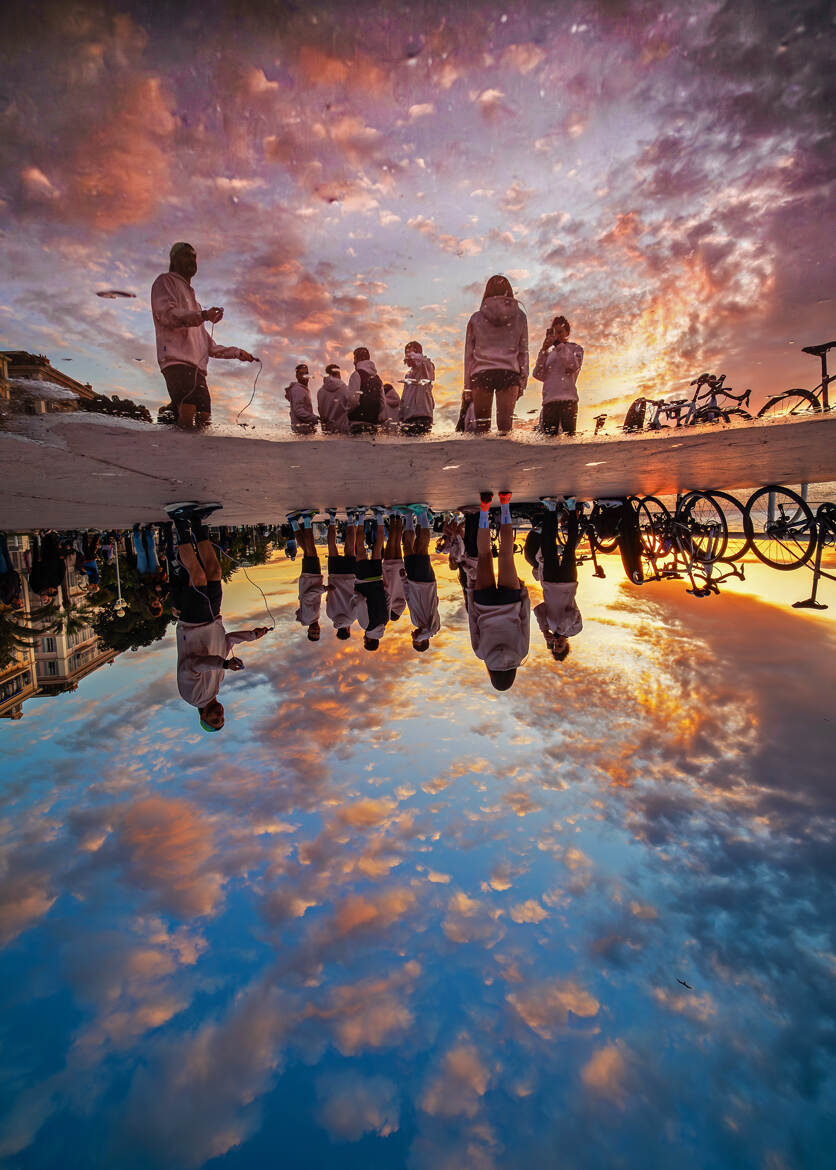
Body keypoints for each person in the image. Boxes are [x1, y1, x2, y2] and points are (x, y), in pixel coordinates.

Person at [166, 502, 268, 730]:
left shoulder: (192, 697)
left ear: (202, 718)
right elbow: (228, 641)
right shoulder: (216, 686)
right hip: (212, 619)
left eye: (214, 719)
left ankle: (179, 521)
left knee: (198, 576)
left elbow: (190, 667)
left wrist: (223, 664)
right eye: (222, 718)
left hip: (194, 625)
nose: (220, 715)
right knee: (214, 571)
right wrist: (253, 635)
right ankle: (196, 522)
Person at [151, 242, 256, 429]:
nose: (192, 259)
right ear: (173, 260)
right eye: (186, 255)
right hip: (177, 364)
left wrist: (239, 353)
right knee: (187, 419)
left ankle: (169, 413)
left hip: (198, 372)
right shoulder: (165, 281)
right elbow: (167, 315)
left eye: (194, 256)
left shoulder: (196, 305)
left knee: (204, 419)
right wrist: (203, 316)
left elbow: (210, 347)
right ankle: (174, 443)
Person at [467, 491, 530, 689]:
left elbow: (525, 620)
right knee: (484, 554)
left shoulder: (521, 653)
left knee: (506, 553)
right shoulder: (482, 654)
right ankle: (484, 511)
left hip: (510, 600)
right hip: (484, 602)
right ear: (492, 675)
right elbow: (473, 622)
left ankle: (504, 505)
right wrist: (470, 592)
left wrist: (524, 593)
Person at [463, 275, 529, 434]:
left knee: (481, 430)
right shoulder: (520, 317)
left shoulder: (476, 318)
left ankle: (481, 459)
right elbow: (523, 351)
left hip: (481, 373)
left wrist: (467, 387)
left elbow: (469, 355)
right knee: (505, 431)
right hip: (509, 373)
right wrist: (523, 381)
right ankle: (507, 460)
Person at [531, 498, 583, 660]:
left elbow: (539, 609)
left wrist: (545, 630)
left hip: (549, 582)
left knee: (548, 545)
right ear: (567, 645)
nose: (557, 643)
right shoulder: (574, 630)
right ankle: (572, 508)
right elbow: (572, 614)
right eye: (560, 646)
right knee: (569, 548)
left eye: (554, 646)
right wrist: (560, 631)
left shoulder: (550, 627)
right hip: (568, 583)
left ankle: (551, 510)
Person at [533, 316, 584, 436]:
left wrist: (557, 344)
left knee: (569, 439)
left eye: (560, 332)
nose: (557, 335)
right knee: (548, 441)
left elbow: (573, 365)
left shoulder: (575, 349)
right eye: (554, 333)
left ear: (567, 332)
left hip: (568, 401)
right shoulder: (549, 354)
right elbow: (538, 374)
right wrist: (544, 350)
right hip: (549, 402)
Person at [402, 506, 441, 651]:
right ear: (424, 640)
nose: (414, 637)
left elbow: (409, 598)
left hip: (412, 580)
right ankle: (423, 515)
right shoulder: (433, 627)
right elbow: (430, 632)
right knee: (421, 548)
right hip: (426, 583)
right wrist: (419, 637)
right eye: (417, 641)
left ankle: (408, 516)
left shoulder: (415, 621)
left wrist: (403, 581)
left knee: (408, 548)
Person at [353, 508, 388, 649]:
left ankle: (379, 516)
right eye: (364, 641)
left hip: (377, 579)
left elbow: (388, 596)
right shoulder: (365, 625)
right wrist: (352, 594)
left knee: (378, 547)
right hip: (363, 580)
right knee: (359, 547)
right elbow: (361, 601)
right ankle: (360, 516)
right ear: (368, 641)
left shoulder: (385, 621)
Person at [325, 509, 359, 639]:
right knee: (332, 547)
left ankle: (350, 518)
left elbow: (358, 599)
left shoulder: (353, 617)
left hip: (350, 577)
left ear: (348, 630)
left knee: (350, 548)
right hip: (334, 576)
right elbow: (328, 597)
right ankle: (332, 519)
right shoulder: (330, 614)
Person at [293, 511, 326, 640]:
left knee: (311, 549)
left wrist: (324, 589)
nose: (316, 631)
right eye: (318, 633)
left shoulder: (309, 617)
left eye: (313, 633)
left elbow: (307, 597)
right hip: (309, 579)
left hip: (311, 579)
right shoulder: (312, 618)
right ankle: (294, 523)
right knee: (308, 550)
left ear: (308, 632)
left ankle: (307, 520)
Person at [400, 342, 436, 435]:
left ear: (418, 353)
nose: (407, 356)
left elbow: (425, 362)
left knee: (421, 448)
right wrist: (401, 416)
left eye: (409, 352)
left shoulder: (426, 367)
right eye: (406, 353)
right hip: (408, 418)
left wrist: (413, 355)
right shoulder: (407, 375)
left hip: (422, 416)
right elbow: (404, 397)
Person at [347, 347, 384, 435]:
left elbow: (353, 400)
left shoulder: (356, 375)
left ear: (357, 359)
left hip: (357, 424)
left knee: (357, 448)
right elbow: (383, 404)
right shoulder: (378, 379)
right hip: (373, 425)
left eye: (354, 358)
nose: (353, 362)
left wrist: (347, 412)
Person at [382, 511, 408, 622]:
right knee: (391, 541)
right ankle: (393, 517)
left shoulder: (404, 599)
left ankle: (399, 519)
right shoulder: (388, 600)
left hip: (400, 567)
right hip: (389, 570)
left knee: (397, 542)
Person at [317, 364, 352, 434]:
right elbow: (351, 405)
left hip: (327, 431)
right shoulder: (344, 388)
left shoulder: (320, 392)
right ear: (338, 374)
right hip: (342, 430)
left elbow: (321, 412)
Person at [285, 363, 319, 434]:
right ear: (297, 376)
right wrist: (314, 418)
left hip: (303, 432)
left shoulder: (303, 389)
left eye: (306, 373)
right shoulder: (298, 390)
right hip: (302, 433)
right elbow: (299, 411)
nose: (304, 376)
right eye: (301, 373)